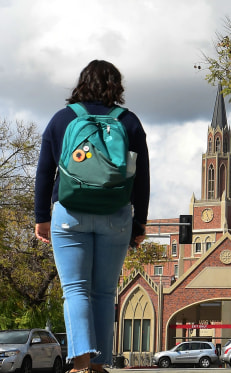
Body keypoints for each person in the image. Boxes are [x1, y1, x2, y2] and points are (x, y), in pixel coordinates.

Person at [34, 60, 150, 373]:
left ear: (82, 83)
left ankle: (80, 363)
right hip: (115, 215)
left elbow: (45, 171)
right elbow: (140, 177)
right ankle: (98, 365)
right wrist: (139, 223)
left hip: (69, 214)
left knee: (75, 289)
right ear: (117, 85)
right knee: (104, 291)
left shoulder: (62, 120)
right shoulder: (129, 122)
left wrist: (41, 216)